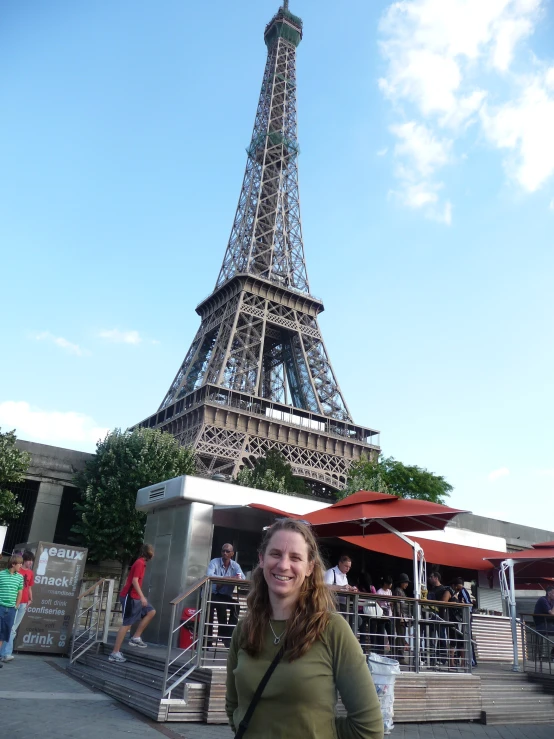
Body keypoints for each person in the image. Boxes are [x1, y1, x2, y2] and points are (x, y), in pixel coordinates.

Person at [225, 518, 383, 739]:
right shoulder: (243, 629)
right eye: (275, 554)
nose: (283, 565)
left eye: (295, 558)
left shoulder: (333, 630)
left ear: (310, 567)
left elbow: (369, 728)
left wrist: (320, 731)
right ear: (261, 559)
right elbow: (234, 708)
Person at [109, 544, 156, 663]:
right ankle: (114, 653)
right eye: (153, 552)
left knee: (151, 611)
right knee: (127, 624)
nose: (154, 554)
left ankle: (136, 637)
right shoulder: (140, 563)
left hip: (135, 597)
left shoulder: (141, 563)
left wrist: (140, 597)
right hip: (130, 597)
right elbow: (134, 581)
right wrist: (142, 597)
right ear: (149, 553)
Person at [206, 543, 245, 647]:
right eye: (223, 551)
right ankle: (209, 642)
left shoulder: (235, 565)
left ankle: (228, 634)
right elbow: (209, 575)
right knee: (219, 607)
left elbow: (242, 578)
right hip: (211, 594)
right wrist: (231, 579)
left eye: (227, 551)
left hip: (225, 596)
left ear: (232, 553)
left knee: (236, 606)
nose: (225, 553)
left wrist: (224, 581)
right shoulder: (214, 562)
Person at [0, 550, 34, 663]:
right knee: (7, 630)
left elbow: (27, 588)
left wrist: (29, 599)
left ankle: (5, 653)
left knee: (10, 630)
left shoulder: (26, 574)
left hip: (19, 605)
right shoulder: (6, 574)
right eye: (29, 560)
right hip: (6, 605)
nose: (30, 563)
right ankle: (5, 654)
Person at [0, 554, 24, 669]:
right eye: (19, 563)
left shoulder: (20, 577)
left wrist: (16, 605)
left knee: (4, 634)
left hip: (11, 609)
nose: (21, 565)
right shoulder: (1, 574)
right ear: (13, 564)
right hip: (0, 606)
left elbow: (20, 592)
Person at [392, 574, 411, 664]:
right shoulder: (398, 591)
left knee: (401, 635)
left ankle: (395, 653)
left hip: (403, 616)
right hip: (400, 616)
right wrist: (400, 617)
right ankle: (400, 656)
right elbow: (398, 605)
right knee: (401, 635)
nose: (407, 584)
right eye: (405, 582)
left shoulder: (401, 591)